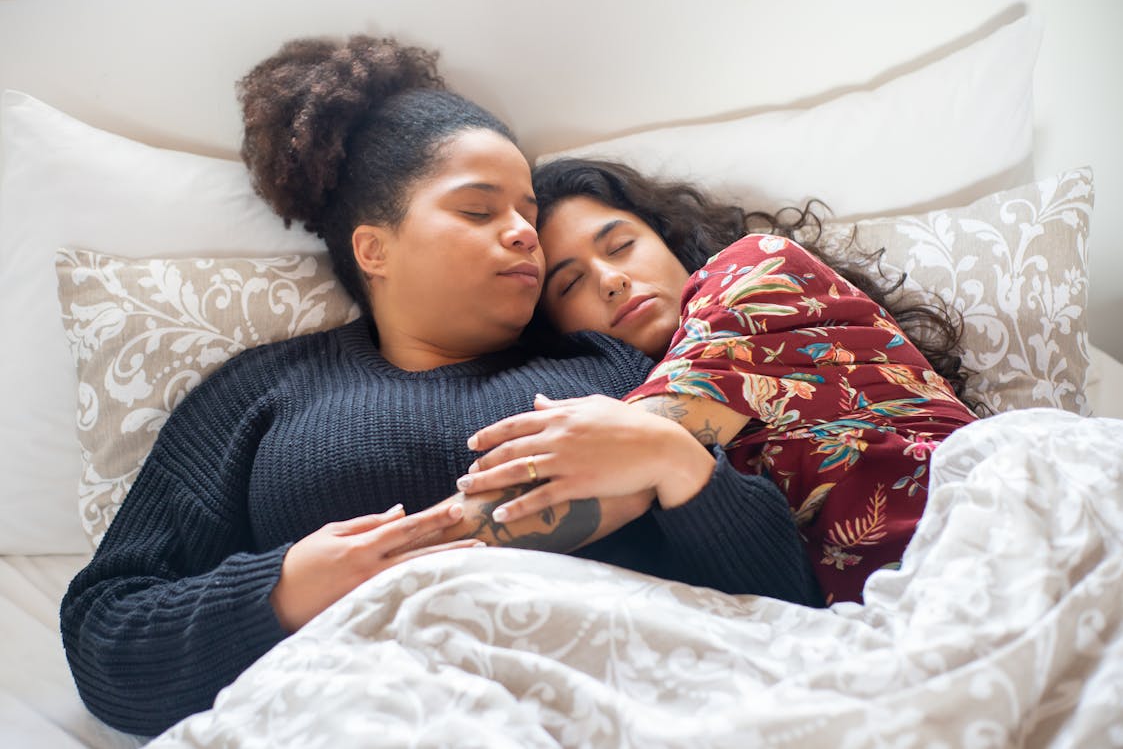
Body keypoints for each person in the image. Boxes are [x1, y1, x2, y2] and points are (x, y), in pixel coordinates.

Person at [60, 39, 821, 738]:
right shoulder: (260, 395)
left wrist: (675, 462)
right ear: (374, 248)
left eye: (526, 211)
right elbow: (106, 635)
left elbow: (788, 595)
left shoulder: (614, 368)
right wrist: (283, 590)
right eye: (477, 209)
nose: (526, 231)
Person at [457, 157, 980, 606]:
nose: (611, 280)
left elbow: (589, 461)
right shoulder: (655, 413)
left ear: (671, 240)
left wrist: (391, 556)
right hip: (894, 614)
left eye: (620, 246)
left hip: (984, 524)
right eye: (570, 283)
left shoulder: (756, 272)